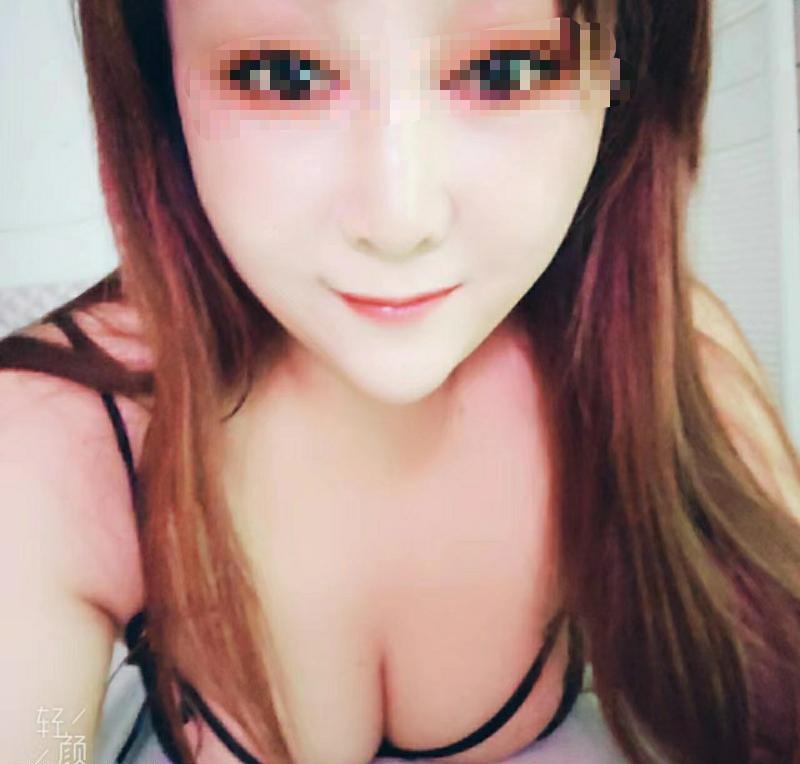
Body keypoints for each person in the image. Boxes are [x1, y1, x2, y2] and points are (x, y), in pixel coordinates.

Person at [2, 0, 799, 763]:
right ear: (161, 79)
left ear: (620, 76)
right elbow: (48, 736)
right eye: (284, 76)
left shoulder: (662, 360)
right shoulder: (52, 443)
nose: (399, 221)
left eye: (506, 69)